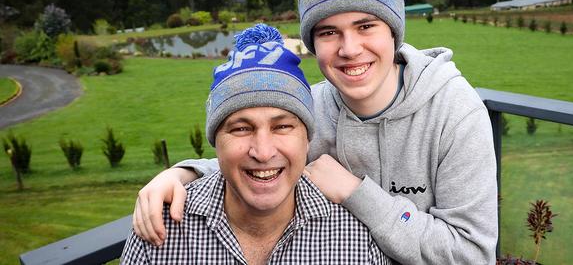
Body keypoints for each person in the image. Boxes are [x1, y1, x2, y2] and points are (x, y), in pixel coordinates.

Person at [133, 0, 498, 264]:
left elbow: (473, 255)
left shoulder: (454, 112)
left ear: (394, 30)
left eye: (365, 25)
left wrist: (357, 193)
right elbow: (260, 156)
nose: (349, 48)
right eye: (328, 32)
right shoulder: (314, 107)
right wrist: (179, 175)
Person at [121, 24, 391, 264]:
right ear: (216, 141)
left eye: (282, 127)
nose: (263, 152)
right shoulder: (158, 232)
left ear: (307, 139)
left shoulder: (355, 240)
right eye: (241, 128)